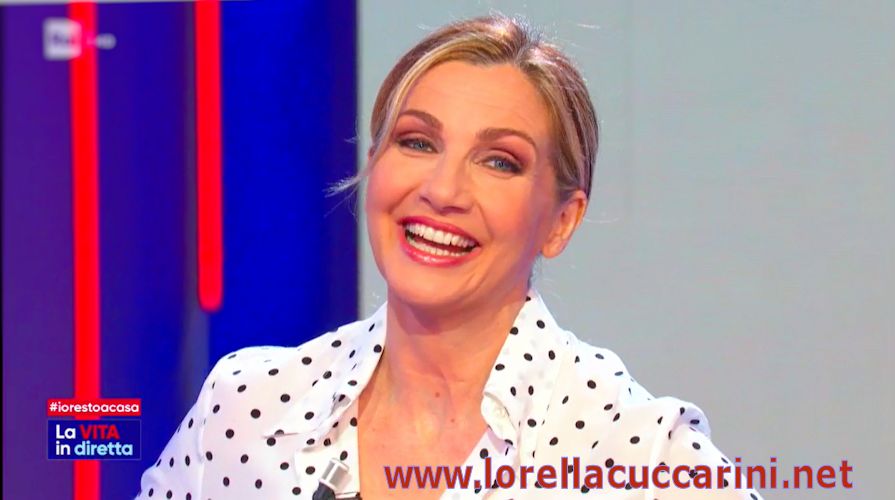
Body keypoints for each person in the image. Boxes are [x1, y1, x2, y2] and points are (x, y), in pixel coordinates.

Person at [138, 15, 762, 500]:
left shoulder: (638, 455)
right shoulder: (248, 407)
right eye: (417, 142)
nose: (442, 191)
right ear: (373, 166)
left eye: (499, 162)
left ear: (561, 221)